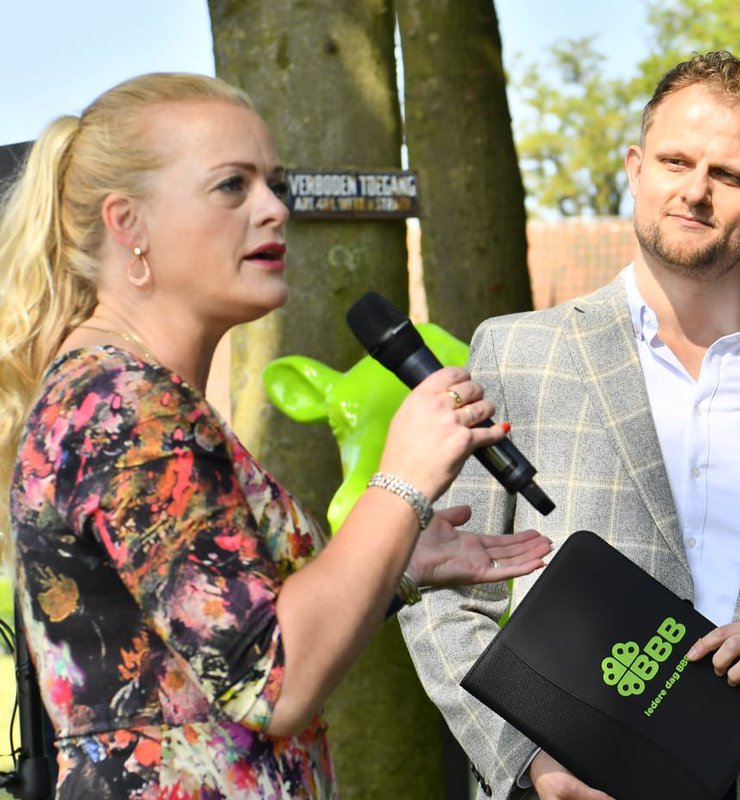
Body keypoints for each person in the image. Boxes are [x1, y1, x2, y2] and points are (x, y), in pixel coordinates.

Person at [399, 50, 740, 800]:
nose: (695, 191)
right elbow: (445, 594)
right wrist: (530, 762)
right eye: (676, 161)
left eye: (730, 175)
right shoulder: (518, 352)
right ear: (635, 167)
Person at [0, 72, 553, 799]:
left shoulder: (131, 393)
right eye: (232, 186)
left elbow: (209, 643)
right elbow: (274, 680)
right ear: (126, 222)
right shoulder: (123, 405)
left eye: (274, 183)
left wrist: (396, 561)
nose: (272, 209)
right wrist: (403, 482)